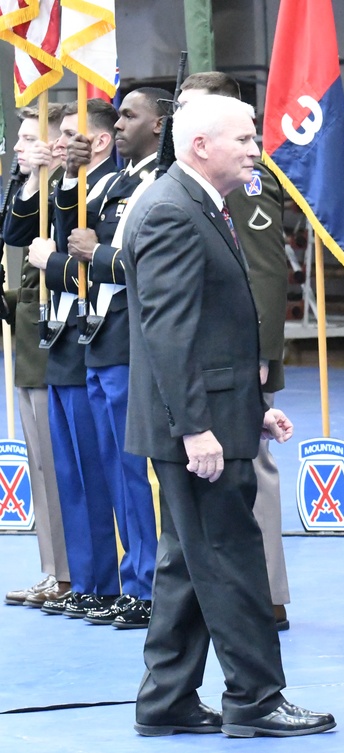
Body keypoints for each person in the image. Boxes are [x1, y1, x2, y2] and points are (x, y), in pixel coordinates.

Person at [123, 93, 335, 738]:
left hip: (217, 409)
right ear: (200, 147)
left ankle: (168, 701)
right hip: (195, 425)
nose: (255, 149)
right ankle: (256, 698)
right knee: (233, 558)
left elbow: (212, 325)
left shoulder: (194, 205)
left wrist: (250, 406)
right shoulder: (171, 212)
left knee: (189, 562)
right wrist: (196, 427)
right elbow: (169, 332)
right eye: (244, 139)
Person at [177, 71, 292, 632]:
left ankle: (266, 591)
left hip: (242, 354)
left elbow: (265, 268)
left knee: (253, 466)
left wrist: (261, 351)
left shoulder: (245, 181)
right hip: (208, 352)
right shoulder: (181, 187)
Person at [51, 90, 170, 629]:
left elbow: (131, 258)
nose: (120, 124)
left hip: (129, 335)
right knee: (112, 468)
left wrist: (91, 251)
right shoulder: (120, 180)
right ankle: (132, 578)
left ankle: (148, 584)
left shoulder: (159, 182)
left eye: (130, 115)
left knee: (134, 468)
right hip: (98, 331)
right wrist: (71, 179)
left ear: (159, 124)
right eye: (117, 116)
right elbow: (68, 233)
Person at [14, 103, 121, 620]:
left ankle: (117, 580)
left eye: (68, 137)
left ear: (97, 141)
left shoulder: (111, 189)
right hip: (57, 340)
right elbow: (17, 231)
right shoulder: (67, 189)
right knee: (70, 472)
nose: (58, 147)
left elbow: (97, 268)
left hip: (92, 334)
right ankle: (85, 577)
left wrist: (49, 262)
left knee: (102, 471)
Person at [2, 104, 71, 609]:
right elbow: (13, 235)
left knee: (58, 464)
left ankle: (69, 570)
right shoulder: (34, 193)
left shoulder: (67, 195)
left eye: (30, 138)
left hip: (57, 343)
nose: (20, 146)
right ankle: (53, 568)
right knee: (40, 466)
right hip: (29, 342)